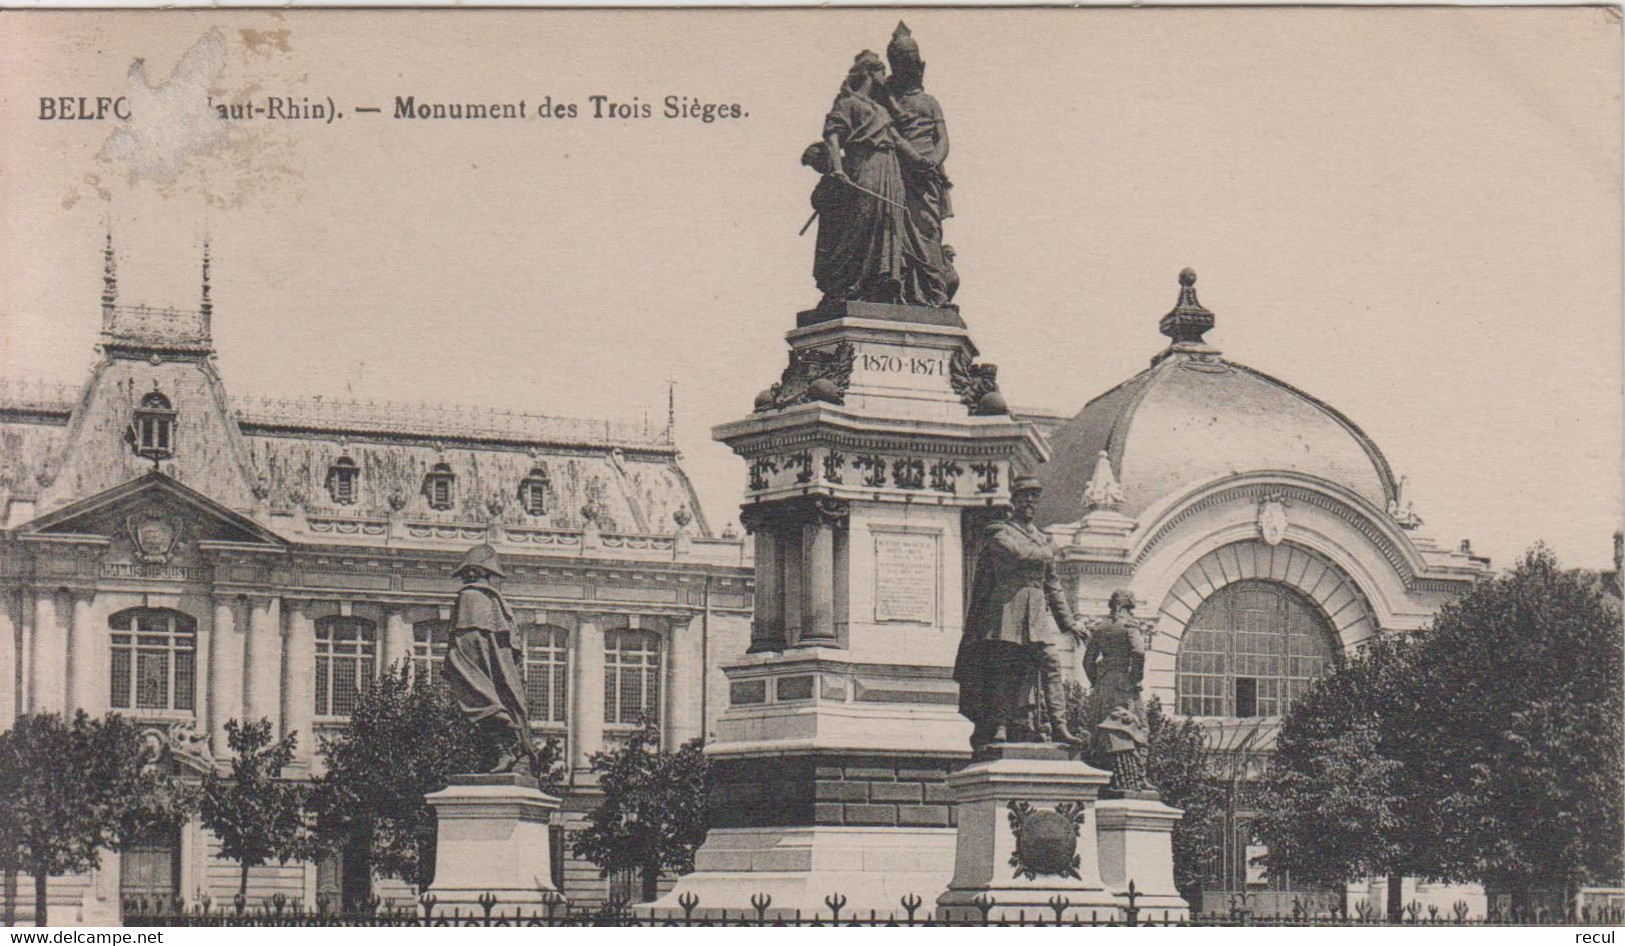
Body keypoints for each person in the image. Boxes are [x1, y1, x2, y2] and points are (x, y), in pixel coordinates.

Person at [955, 476, 1087, 750]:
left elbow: (1053, 585)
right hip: (1008, 611)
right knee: (1006, 667)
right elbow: (1018, 554)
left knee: (1052, 665)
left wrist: (1068, 623)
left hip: (1037, 615)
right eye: (1025, 496)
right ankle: (1001, 725)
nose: (1030, 502)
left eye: (1034, 497)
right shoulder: (1000, 533)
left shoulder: (1039, 538)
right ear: (1013, 501)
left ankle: (1060, 726)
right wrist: (1049, 549)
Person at [812, 51, 910, 306]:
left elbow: (899, 135)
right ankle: (848, 285)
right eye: (882, 72)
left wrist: (924, 162)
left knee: (886, 222)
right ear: (870, 72)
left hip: (888, 168)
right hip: (864, 165)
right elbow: (832, 137)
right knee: (860, 222)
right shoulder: (847, 102)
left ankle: (879, 284)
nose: (885, 77)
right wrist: (837, 169)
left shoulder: (879, 107)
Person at [882, 22, 955, 308]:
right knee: (901, 231)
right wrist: (915, 158)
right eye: (901, 63)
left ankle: (935, 294)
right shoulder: (889, 102)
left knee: (928, 230)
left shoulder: (930, 102)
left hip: (928, 177)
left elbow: (944, 139)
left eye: (911, 62)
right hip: (901, 171)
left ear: (920, 65)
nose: (908, 68)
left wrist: (933, 161)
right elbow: (891, 132)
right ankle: (908, 294)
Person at [445, 544, 534, 773]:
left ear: (476, 571)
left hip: (477, 671)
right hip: (495, 677)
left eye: (469, 570)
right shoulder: (496, 601)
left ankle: (506, 750)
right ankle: (512, 750)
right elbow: (501, 650)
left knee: (481, 704)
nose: (466, 575)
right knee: (490, 705)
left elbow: (467, 642)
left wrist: (454, 661)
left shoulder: (470, 597)